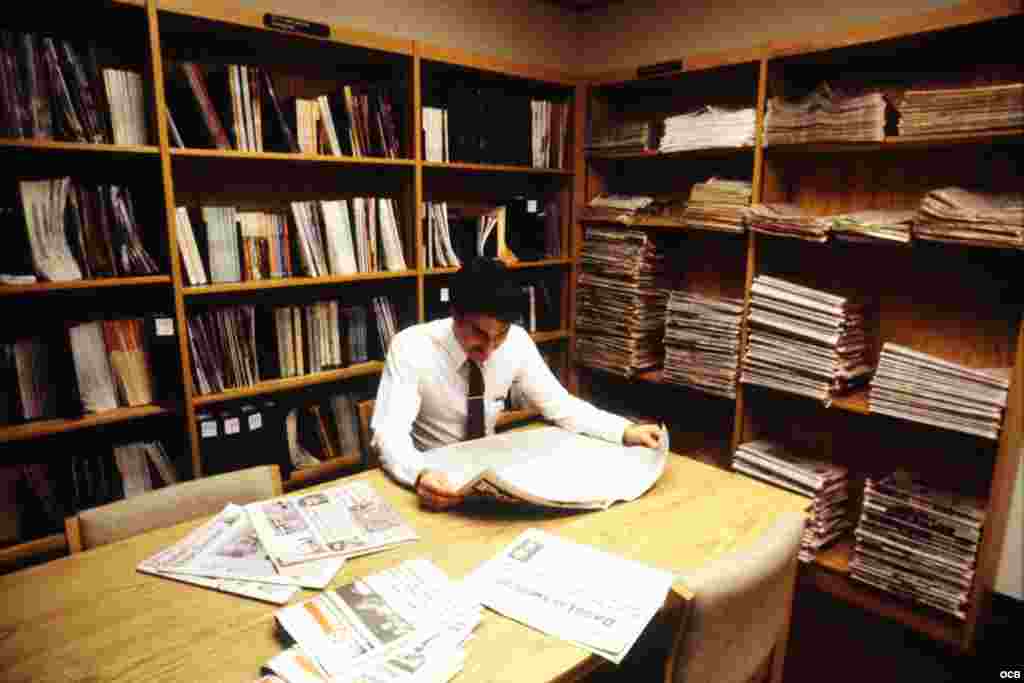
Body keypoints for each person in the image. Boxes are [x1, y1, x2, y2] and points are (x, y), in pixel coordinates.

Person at [371, 258, 662, 510]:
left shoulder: (517, 342)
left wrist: (624, 430)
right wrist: (420, 474)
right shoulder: (411, 347)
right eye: (478, 334)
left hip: (491, 474)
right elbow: (389, 433)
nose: (489, 349)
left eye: (500, 336)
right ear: (455, 314)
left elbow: (559, 405)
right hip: (435, 479)